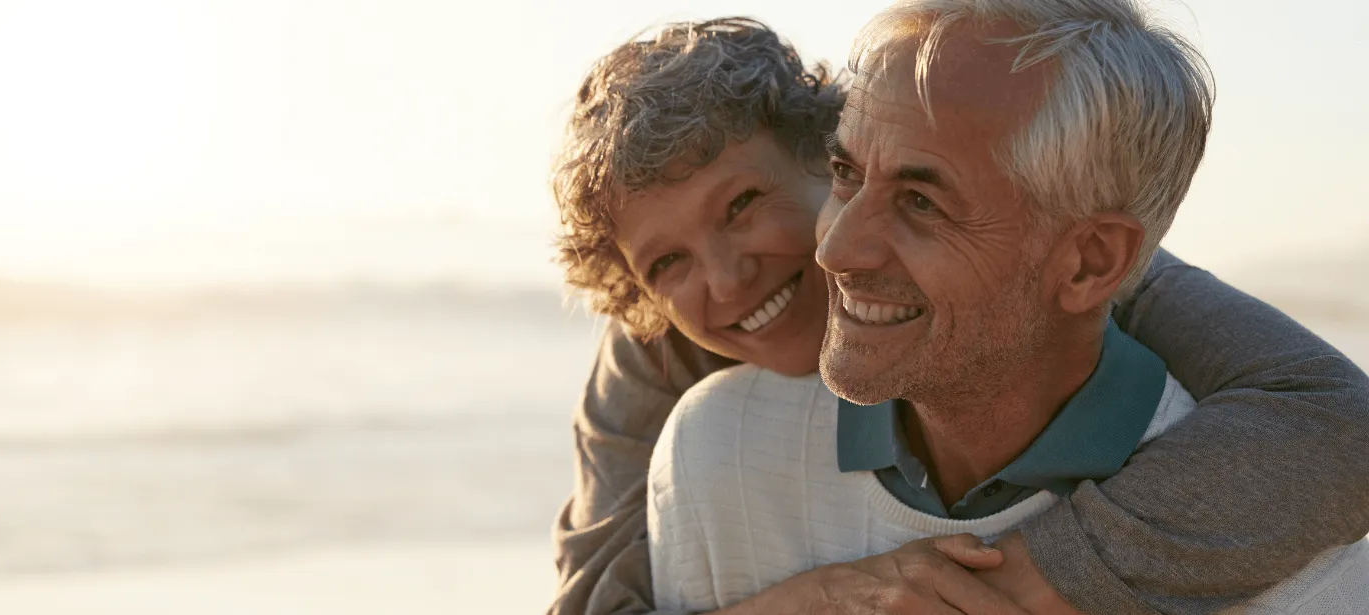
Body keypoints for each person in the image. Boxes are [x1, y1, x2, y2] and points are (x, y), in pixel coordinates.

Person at [546, 12, 1369, 615]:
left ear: (823, 151)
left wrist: (1032, 575)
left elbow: (1338, 421)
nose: (725, 279)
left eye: (743, 205)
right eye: (667, 263)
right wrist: (820, 598)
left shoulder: (1106, 274)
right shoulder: (670, 385)